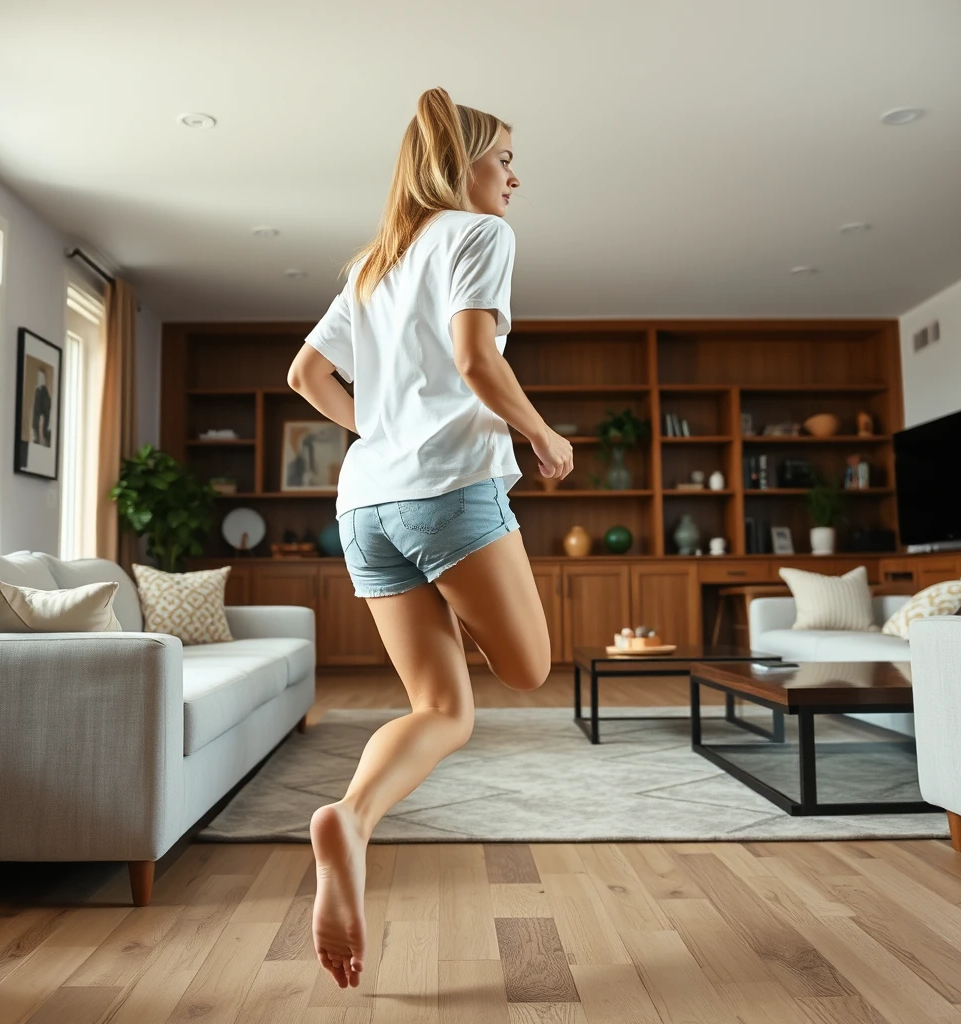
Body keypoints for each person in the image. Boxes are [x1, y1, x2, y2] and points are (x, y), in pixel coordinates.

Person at [286, 86, 574, 990]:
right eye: (503, 161)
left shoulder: (376, 260)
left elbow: (305, 374)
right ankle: (462, 602)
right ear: (462, 166)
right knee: (526, 669)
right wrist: (543, 434)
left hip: (364, 509)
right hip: (452, 498)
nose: (514, 179)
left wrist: (379, 432)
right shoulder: (478, 235)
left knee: (443, 709)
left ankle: (350, 820)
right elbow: (477, 360)